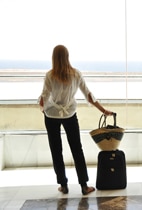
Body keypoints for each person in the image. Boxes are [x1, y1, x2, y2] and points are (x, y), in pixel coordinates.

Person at [39, 45, 114, 195]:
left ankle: (63, 185)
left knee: (56, 150)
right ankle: (84, 186)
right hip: (70, 115)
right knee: (76, 149)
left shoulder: (49, 75)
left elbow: (44, 97)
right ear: (67, 56)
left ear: (53, 58)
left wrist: (43, 109)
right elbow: (89, 95)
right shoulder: (76, 74)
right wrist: (104, 110)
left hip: (52, 115)